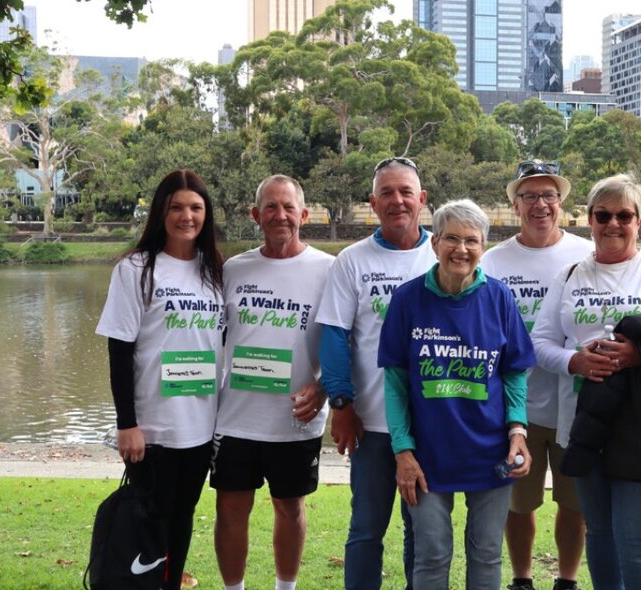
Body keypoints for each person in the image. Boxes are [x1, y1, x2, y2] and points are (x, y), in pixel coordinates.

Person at [531, 174, 641, 590]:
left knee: (637, 540)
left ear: (639, 219)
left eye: (624, 215)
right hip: (582, 421)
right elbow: (539, 343)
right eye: (603, 215)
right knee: (599, 531)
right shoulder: (570, 274)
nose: (613, 224)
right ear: (590, 219)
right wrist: (574, 361)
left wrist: (639, 355)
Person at [378, 198, 536, 590]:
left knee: (486, 553)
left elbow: (515, 371)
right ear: (435, 243)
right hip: (427, 454)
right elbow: (395, 383)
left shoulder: (499, 298)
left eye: (472, 241)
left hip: (492, 452)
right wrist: (402, 450)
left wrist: (518, 431)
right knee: (431, 555)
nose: (461, 249)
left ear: (483, 247)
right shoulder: (407, 299)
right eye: (451, 238)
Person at [95, 169, 225, 590]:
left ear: (206, 214)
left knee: (182, 520)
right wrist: (126, 424)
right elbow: (120, 351)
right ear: (160, 212)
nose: (186, 216)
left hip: (200, 428)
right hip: (151, 430)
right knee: (148, 524)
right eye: (176, 207)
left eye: (195, 207)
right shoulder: (137, 268)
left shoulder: (214, 271)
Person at [315, 157, 436, 590]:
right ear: (372, 203)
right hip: (372, 422)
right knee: (366, 528)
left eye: (406, 192)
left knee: (422, 531)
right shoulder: (351, 261)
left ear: (422, 200)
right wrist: (342, 403)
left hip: (431, 423)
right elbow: (334, 337)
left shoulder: (446, 252)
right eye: (387, 192)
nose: (397, 200)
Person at [211, 175, 333, 590]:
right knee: (229, 509)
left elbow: (346, 341)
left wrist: (324, 388)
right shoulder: (233, 269)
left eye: (288, 207)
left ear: (304, 214)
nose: (280, 215)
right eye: (270, 207)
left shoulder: (328, 270)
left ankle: (286, 588)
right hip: (236, 418)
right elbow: (208, 337)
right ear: (255, 215)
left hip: (295, 418)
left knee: (290, 507)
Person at [481, 161, 593, 590]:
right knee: (518, 503)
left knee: (575, 502)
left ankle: (566, 580)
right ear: (515, 205)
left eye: (549, 196)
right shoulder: (493, 260)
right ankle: (522, 579)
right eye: (530, 196)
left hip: (573, 404)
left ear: (561, 203)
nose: (540, 205)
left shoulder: (584, 255)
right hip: (514, 410)